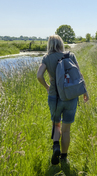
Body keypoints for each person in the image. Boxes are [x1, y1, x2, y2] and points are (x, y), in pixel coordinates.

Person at [37, 35, 89, 165]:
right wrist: (85, 91)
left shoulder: (46, 58)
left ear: (49, 45)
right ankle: (64, 158)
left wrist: (47, 87)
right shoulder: (70, 56)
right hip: (71, 96)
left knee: (56, 125)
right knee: (66, 129)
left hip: (55, 97)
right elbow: (79, 75)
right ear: (61, 43)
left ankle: (56, 146)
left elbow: (39, 75)